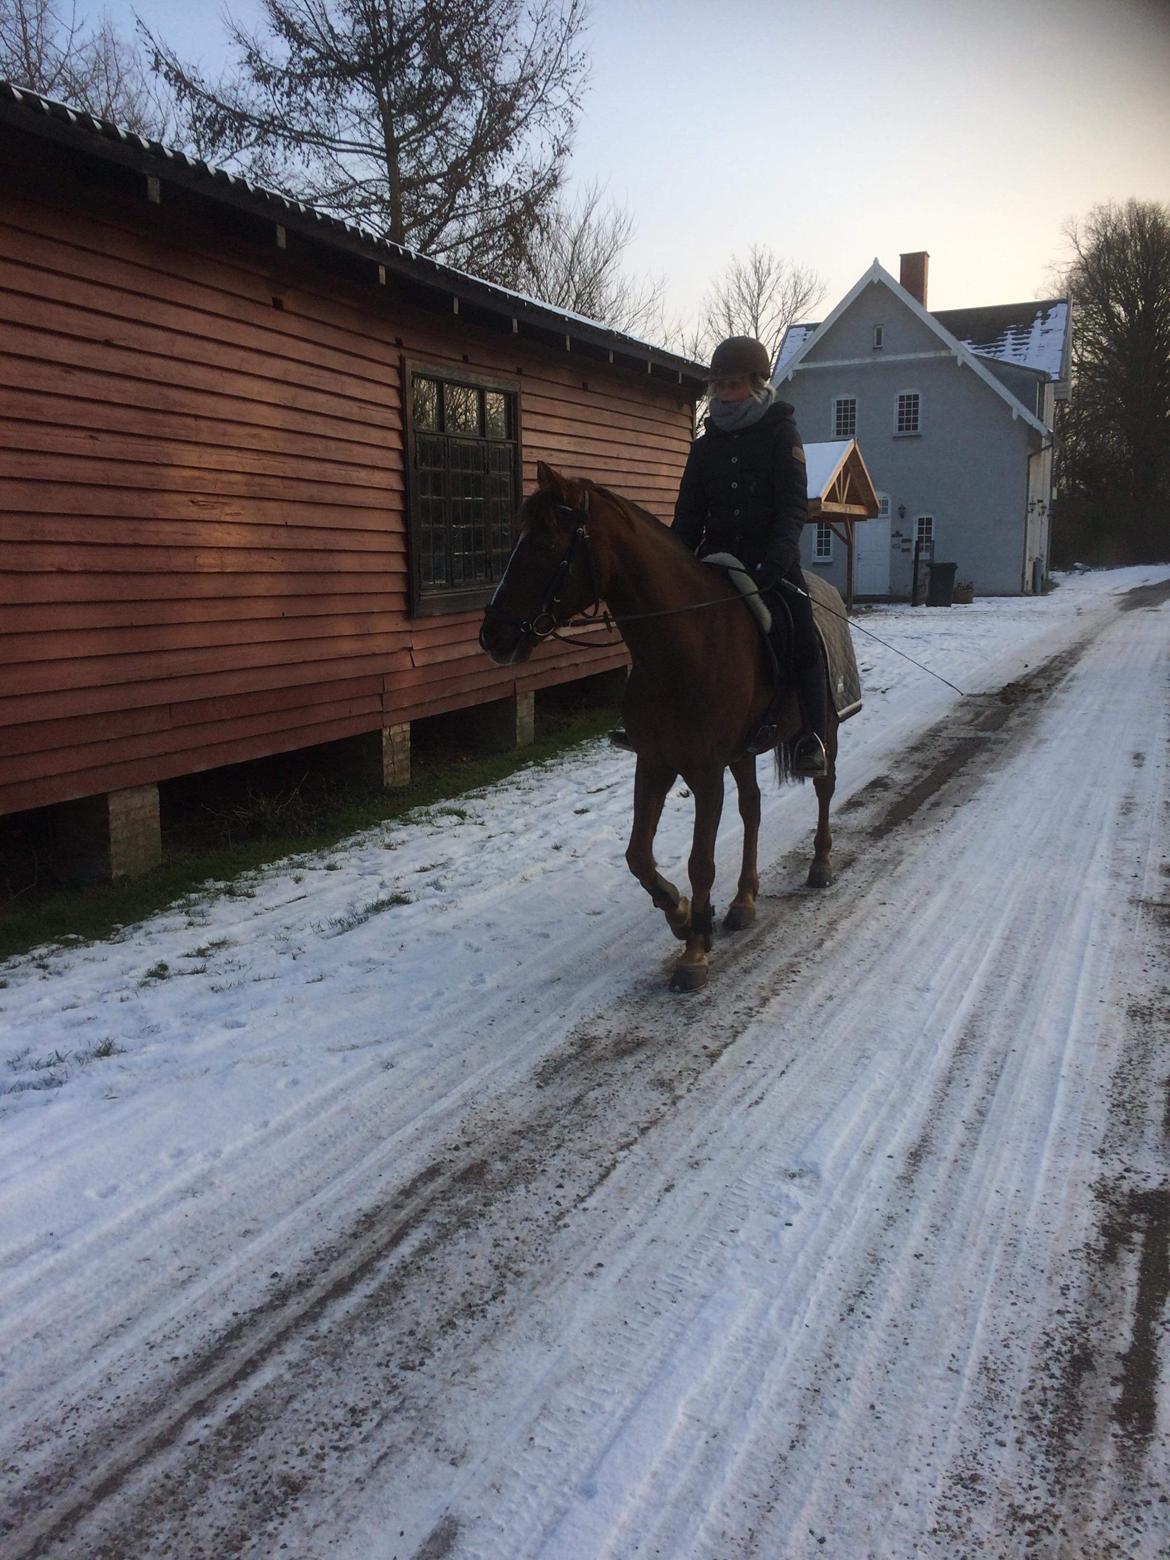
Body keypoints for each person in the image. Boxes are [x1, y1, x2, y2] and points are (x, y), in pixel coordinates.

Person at [671, 335, 828, 775]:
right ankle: (657, 721)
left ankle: (811, 737)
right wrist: (674, 561)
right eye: (718, 386)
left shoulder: (782, 433)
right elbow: (687, 518)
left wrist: (777, 560)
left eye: (733, 385)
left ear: (758, 385)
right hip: (716, 562)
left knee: (802, 634)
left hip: (770, 563)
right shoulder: (704, 447)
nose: (724, 393)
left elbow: (792, 506)